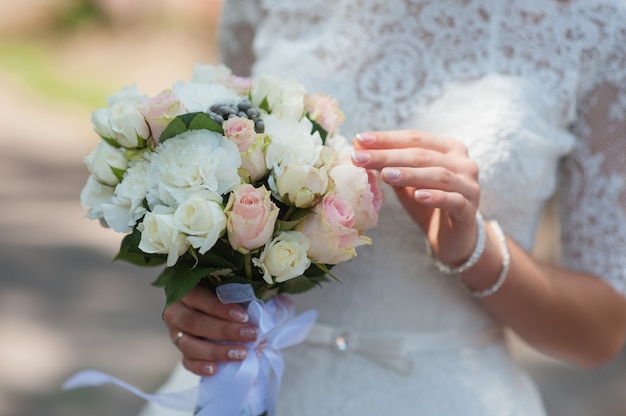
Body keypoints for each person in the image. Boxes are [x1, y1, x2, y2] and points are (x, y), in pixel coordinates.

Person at [142, 1, 626, 415]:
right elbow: (228, 170)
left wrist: (473, 248)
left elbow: (599, 332)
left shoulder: (595, 22)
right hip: (251, 385)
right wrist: (206, 301)